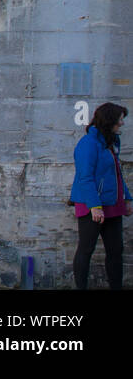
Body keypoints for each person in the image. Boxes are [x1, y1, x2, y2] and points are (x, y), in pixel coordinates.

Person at [71, 102, 130, 289]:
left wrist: (127, 198)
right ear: (109, 120)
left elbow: (117, 173)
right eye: (120, 119)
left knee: (116, 250)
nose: (122, 123)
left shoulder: (112, 142)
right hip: (91, 204)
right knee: (86, 249)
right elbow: (85, 177)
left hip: (112, 203)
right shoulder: (88, 144)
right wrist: (95, 206)